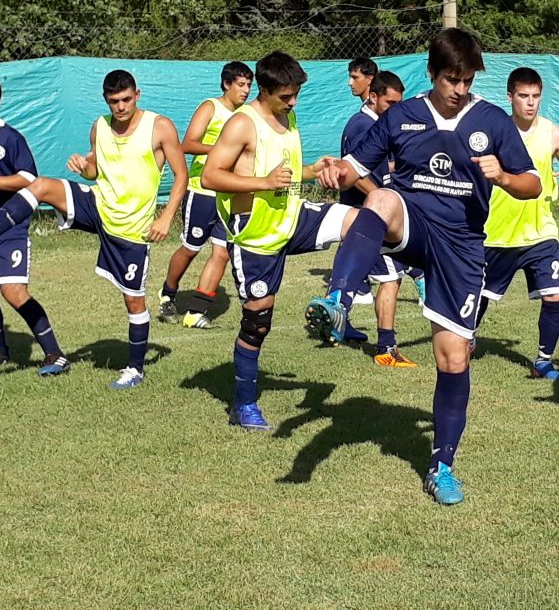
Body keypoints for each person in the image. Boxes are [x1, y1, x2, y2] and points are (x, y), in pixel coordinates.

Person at [307, 28, 541, 505]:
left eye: (468, 80)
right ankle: (338, 300)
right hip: (413, 222)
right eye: (452, 79)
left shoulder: (492, 121)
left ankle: (442, 466)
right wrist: (334, 170)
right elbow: (354, 168)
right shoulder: (403, 115)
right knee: (382, 198)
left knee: (453, 358)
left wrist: (504, 176)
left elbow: (532, 184)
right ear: (433, 73)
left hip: (461, 246)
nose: (460, 88)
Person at [0, 70, 188, 389]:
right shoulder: (100, 126)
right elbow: (94, 171)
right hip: (97, 204)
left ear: (137, 95)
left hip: (130, 227)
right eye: (113, 101)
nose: (120, 107)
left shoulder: (160, 126)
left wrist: (166, 217)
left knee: (133, 301)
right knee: (42, 186)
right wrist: (84, 168)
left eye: (126, 99)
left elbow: (181, 175)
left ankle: (135, 369)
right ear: (106, 100)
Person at [201, 50, 357, 432]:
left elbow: (284, 173)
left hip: (293, 217)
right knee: (258, 323)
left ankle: (336, 303)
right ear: (265, 89)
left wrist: (313, 170)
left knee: (358, 222)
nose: (293, 102)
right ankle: (243, 405)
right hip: (256, 236)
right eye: (286, 96)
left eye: (296, 94)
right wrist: (264, 183)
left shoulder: (289, 117)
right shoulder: (242, 124)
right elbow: (210, 176)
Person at [476, 67, 559, 380]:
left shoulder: (553, 134)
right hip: (497, 233)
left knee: (553, 296)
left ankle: (543, 362)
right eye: (523, 96)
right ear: (510, 97)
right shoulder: (494, 133)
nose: (530, 102)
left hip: (541, 232)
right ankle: (465, 339)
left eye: (535, 96)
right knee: (481, 297)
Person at [0, 75, 67, 373]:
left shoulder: (10, 138)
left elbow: (29, 179)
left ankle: (55, 355)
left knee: (13, 291)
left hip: (8, 228)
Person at [330, 70, 423, 367]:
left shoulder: (377, 124)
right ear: (373, 97)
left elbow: (378, 165)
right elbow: (354, 173)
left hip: (369, 217)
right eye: (391, 103)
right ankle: (386, 348)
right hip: (371, 219)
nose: (396, 109)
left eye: (399, 104)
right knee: (391, 279)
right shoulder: (363, 126)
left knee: (360, 273)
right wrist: (382, 202)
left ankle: (336, 321)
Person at [157, 61, 253, 329]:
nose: (246, 90)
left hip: (229, 194)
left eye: (249, 85)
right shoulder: (211, 107)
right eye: (241, 84)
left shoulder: (246, 115)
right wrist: (223, 149)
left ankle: (196, 312)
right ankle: (168, 293)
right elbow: (188, 144)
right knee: (191, 248)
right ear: (226, 84)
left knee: (222, 252)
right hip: (203, 191)